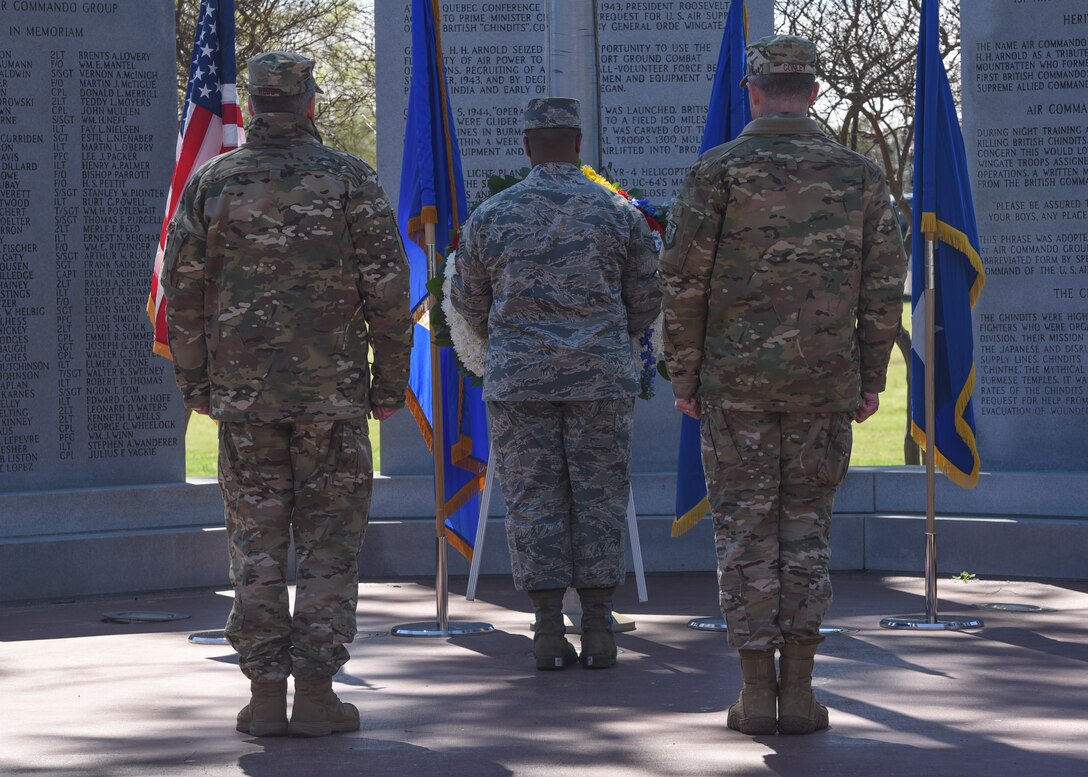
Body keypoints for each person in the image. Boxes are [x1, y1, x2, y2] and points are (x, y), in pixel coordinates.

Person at [660, 35, 906, 734]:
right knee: (805, 532)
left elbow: (681, 283)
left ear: (755, 91)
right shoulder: (857, 174)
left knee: (744, 535)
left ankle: (755, 691)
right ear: (816, 92)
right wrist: (868, 376)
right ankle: (799, 692)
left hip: (733, 389)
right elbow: (884, 286)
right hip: (823, 385)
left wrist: (686, 373)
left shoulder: (716, 172)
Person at [160, 51, 411, 737]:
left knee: (256, 544)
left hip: (244, 402)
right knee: (330, 544)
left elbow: (181, 292)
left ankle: (266, 693)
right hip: (331, 400)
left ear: (257, 104)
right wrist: (390, 382)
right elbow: (388, 292)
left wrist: (196, 381)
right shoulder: (348, 179)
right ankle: (319, 693)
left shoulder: (213, 182)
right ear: (307, 103)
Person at [450, 97, 661, 671]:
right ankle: (597, 626)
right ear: (577, 144)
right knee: (598, 496)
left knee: (532, 498)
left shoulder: (493, 215)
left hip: (521, 383)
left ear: (526, 148)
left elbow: (467, 300)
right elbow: (645, 300)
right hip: (599, 379)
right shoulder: (618, 214)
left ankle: (547, 628)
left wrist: (519, 338)